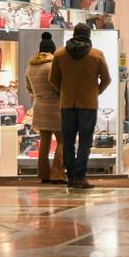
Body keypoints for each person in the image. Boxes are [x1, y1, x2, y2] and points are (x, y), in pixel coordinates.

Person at [48, 23, 112, 190]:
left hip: (67, 104)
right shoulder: (96, 55)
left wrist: (63, 91)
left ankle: (70, 176)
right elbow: (107, 79)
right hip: (88, 104)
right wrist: (94, 92)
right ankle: (80, 176)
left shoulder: (60, 54)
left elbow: (52, 79)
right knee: (85, 141)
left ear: (74, 34)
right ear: (88, 35)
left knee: (68, 141)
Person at [24, 32, 63, 184]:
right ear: (53, 51)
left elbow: (29, 90)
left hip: (39, 108)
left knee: (44, 142)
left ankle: (44, 174)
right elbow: (59, 87)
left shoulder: (30, 68)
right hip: (55, 107)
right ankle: (58, 174)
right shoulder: (53, 65)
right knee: (63, 141)